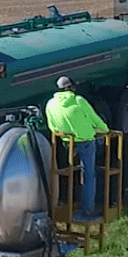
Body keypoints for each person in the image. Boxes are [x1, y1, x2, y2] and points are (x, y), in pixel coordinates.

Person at [45, 76, 109, 220]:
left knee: (64, 173)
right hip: (85, 141)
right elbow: (94, 118)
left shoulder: (50, 104)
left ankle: (62, 204)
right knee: (89, 175)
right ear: (70, 87)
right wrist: (104, 129)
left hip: (66, 143)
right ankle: (88, 209)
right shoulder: (78, 101)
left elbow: (52, 126)